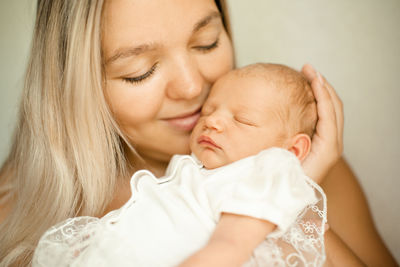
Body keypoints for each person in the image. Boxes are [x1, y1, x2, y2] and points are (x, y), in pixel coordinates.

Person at [0, 0, 396, 266]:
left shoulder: (311, 171)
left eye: (206, 44)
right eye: (140, 70)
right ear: (73, 87)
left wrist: (292, 193)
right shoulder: (14, 206)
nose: (192, 87)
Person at [32, 63, 326, 267]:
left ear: (292, 150)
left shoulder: (262, 175)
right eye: (208, 110)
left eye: (242, 120)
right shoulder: (203, 172)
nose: (212, 121)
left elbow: (229, 248)